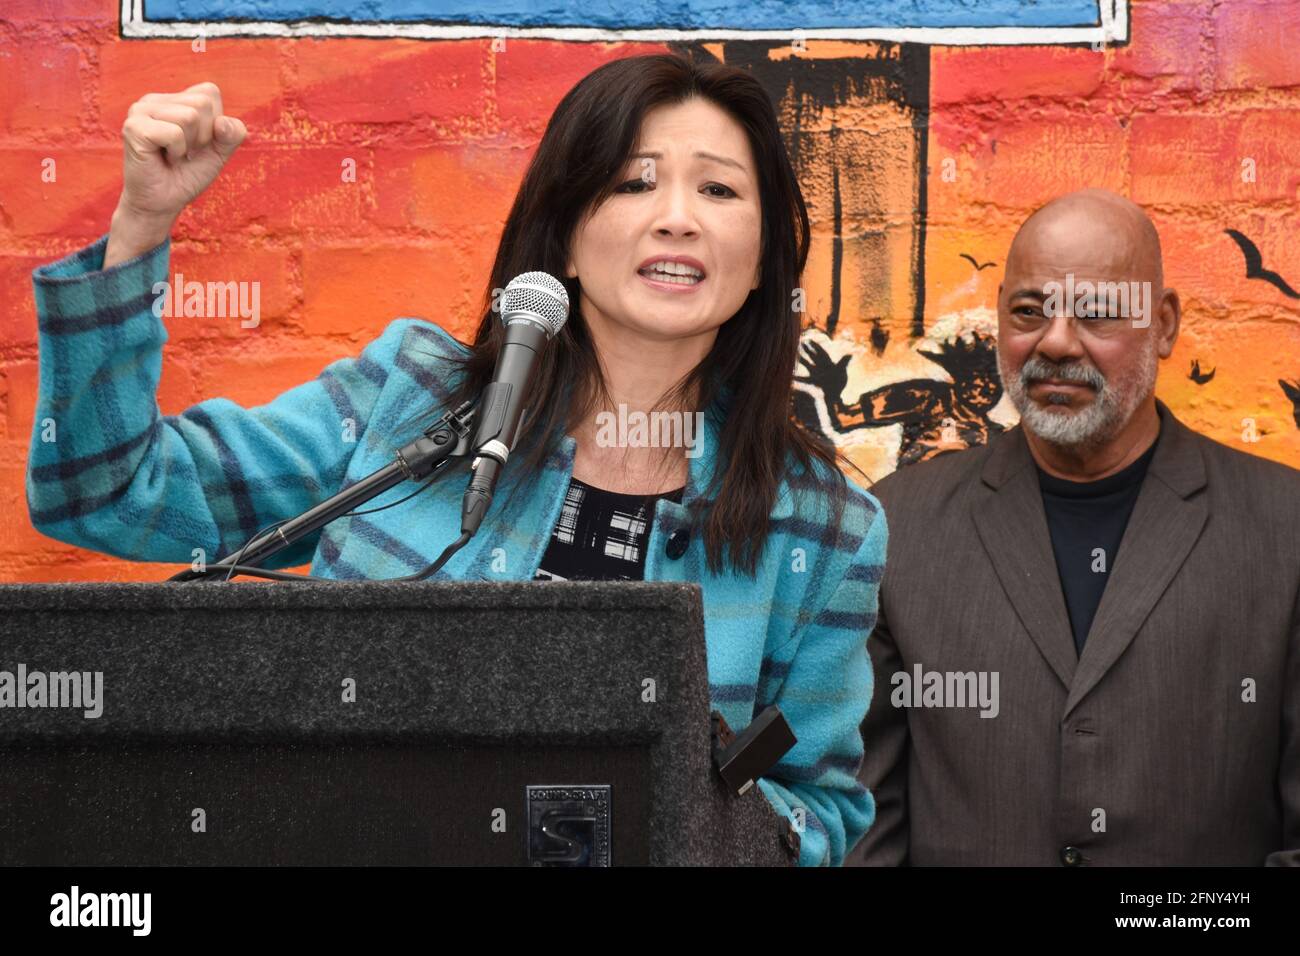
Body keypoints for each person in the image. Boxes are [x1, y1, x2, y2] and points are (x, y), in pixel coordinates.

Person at [26, 55, 887, 867]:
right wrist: (140, 228)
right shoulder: (410, 399)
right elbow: (105, 492)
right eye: (633, 181)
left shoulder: (826, 526)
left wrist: (692, 793)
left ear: (764, 258)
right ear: (565, 235)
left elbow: (821, 815)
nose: (677, 216)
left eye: (719, 189)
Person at [848, 188, 1300, 866]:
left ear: (1166, 325)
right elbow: (863, 819)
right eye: (1028, 312)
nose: (1055, 342)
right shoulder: (900, 527)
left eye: (1098, 313)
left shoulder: (1282, 530)